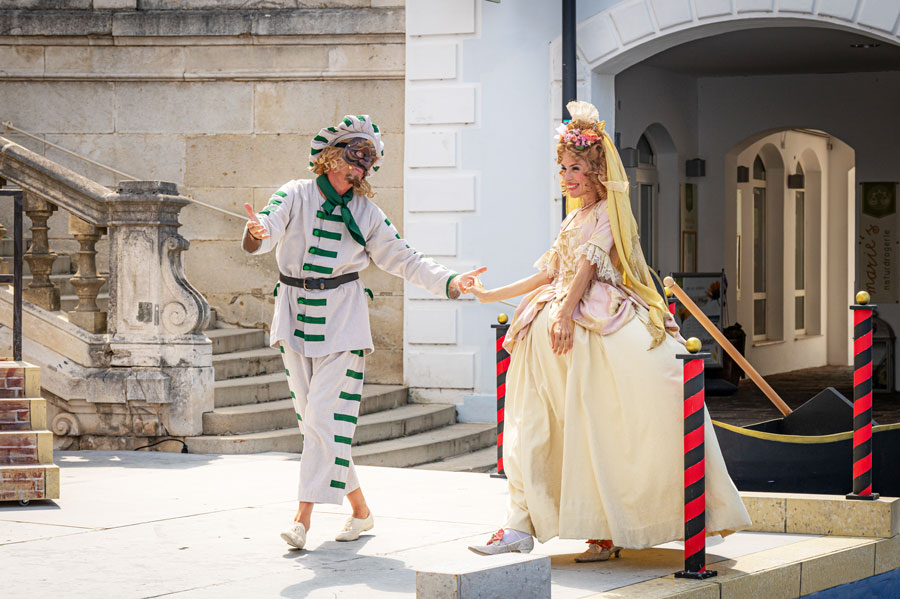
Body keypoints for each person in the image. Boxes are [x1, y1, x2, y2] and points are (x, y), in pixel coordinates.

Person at [467, 101, 750, 561]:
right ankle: (522, 525)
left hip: (589, 323)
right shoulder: (574, 217)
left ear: (597, 171)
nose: (567, 177)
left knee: (603, 427)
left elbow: (586, 267)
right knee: (542, 426)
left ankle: (604, 527)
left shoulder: (611, 216)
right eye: (562, 168)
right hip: (549, 328)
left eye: (575, 167)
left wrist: (564, 313)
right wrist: (488, 294)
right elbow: (548, 273)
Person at [242, 114, 485, 550]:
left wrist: (450, 280)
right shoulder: (295, 193)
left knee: (321, 419)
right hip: (294, 313)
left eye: (368, 164)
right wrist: (257, 232)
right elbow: (268, 225)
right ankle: (360, 511)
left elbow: (404, 257)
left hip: (342, 319)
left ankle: (302, 518)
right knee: (315, 424)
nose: (362, 169)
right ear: (333, 157)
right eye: (356, 159)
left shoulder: (367, 213)